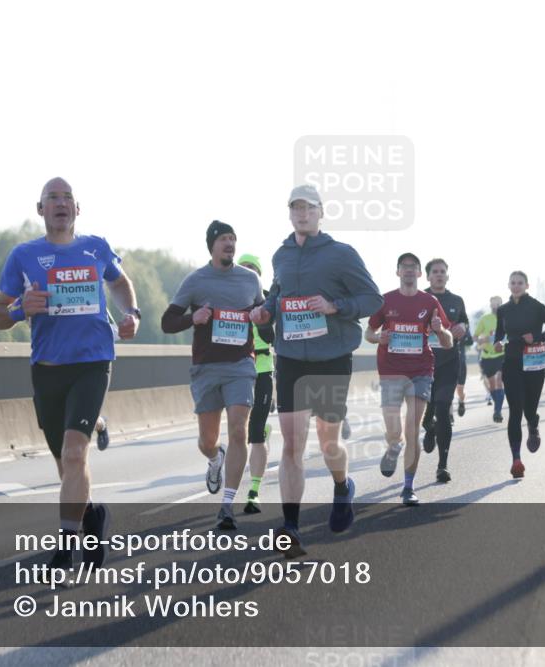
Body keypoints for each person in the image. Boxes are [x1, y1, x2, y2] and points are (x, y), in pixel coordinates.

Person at [0, 177, 139, 571]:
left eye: (67, 198)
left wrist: (132, 314)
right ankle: (92, 516)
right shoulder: (23, 255)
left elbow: (121, 282)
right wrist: (22, 309)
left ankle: (64, 548)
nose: (60, 203)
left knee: (76, 453)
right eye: (52, 198)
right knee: (66, 465)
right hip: (48, 370)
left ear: (78, 208)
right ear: (40, 209)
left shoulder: (96, 247)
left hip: (93, 363)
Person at [250, 185, 382, 558]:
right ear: (289, 213)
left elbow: (372, 300)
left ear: (321, 213)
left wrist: (334, 305)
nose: (301, 214)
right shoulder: (281, 255)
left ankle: (342, 486)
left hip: (331, 357)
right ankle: (290, 527)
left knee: (327, 442)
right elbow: (278, 294)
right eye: (295, 208)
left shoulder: (341, 254)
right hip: (291, 356)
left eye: (308, 208)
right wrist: (266, 310)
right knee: (292, 444)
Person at [161, 221, 263, 530]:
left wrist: (263, 317)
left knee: (238, 431)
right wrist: (195, 317)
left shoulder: (250, 280)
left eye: (233, 239)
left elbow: (265, 320)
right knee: (207, 440)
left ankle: (227, 505)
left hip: (241, 366)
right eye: (223, 239)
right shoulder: (196, 280)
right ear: (212, 246)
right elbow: (167, 322)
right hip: (206, 368)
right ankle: (214, 457)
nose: (230, 244)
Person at [365, 253, 452, 505]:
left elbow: (447, 342)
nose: (409, 271)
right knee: (395, 431)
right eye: (404, 267)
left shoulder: (430, 301)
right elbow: (369, 332)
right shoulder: (386, 300)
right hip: (391, 371)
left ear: (419, 274)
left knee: (412, 428)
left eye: (413, 267)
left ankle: (408, 487)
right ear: (398, 272)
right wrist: (377, 338)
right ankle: (394, 446)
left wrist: (439, 329)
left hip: (421, 371)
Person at [492, 271, 545, 479]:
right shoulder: (503, 310)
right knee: (515, 410)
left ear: (527, 285)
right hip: (512, 363)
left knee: (529, 410)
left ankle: (533, 424)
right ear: (508, 285)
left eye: (520, 283)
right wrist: (497, 342)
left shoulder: (538, 307)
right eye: (512, 283)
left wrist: (536, 336)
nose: (516, 286)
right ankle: (516, 460)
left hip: (534, 366)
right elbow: (499, 334)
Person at [420, 258, 469, 482]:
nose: (439, 275)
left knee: (442, 409)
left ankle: (442, 465)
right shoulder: (419, 299)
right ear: (428, 276)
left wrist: (462, 327)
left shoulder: (456, 300)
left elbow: (464, 324)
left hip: (449, 362)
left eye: (443, 272)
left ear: (447, 276)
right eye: (435, 272)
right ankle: (428, 428)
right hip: (423, 364)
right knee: (427, 413)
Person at [237, 253, 276, 515]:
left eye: (253, 269)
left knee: (256, 432)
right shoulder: (228, 299)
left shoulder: (268, 301)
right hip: (234, 370)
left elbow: (273, 336)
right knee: (235, 430)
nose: (248, 273)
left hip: (262, 369)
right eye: (244, 269)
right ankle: (216, 459)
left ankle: (254, 490)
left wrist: (260, 316)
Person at [475, 296, 506, 423]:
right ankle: (497, 405)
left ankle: (497, 411)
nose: (495, 306)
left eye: (498, 304)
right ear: (490, 305)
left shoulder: (506, 318)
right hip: (487, 355)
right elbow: (475, 336)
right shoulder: (485, 319)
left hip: (502, 354)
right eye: (493, 304)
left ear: (501, 304)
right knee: (492, 384)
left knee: (500, 381)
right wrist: (482, 339)